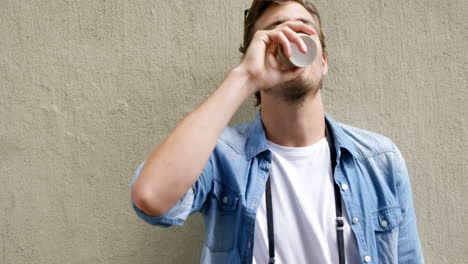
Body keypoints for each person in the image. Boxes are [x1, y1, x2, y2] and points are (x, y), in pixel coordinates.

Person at [129, 0, 424, 263]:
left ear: (322, 62)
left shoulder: (379, 160)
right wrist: (246, 77)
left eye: (305, 31)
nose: (292, 39)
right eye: (276, 32)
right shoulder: (221, 157)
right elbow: (151, 197)